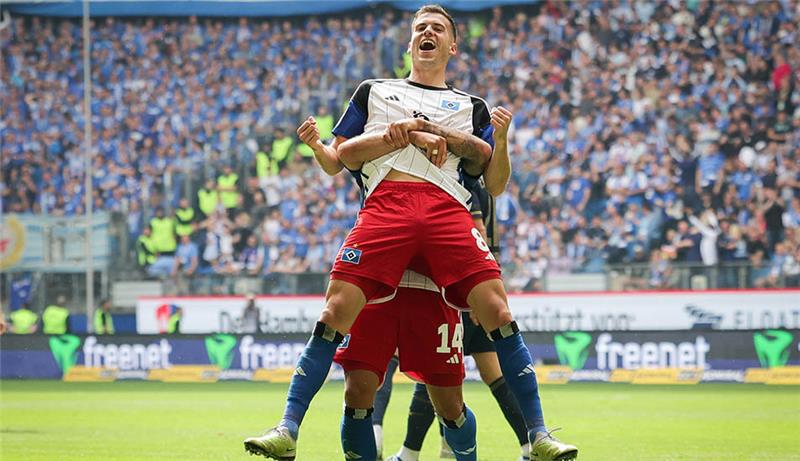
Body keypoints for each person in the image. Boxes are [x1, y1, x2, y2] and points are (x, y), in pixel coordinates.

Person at [244, 5, 577, 461]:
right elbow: (342, 158)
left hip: (446, 211)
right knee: (336, 318)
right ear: (409, 44)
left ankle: (538, 435)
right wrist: (404, 134)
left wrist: (494, 141)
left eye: (438, 28)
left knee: (494, 314)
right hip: (387, 208)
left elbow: (494, 183)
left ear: (452, 46)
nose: (428, 32)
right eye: (420, 27)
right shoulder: (375, 92)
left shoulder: (471, 106)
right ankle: (287, 428)